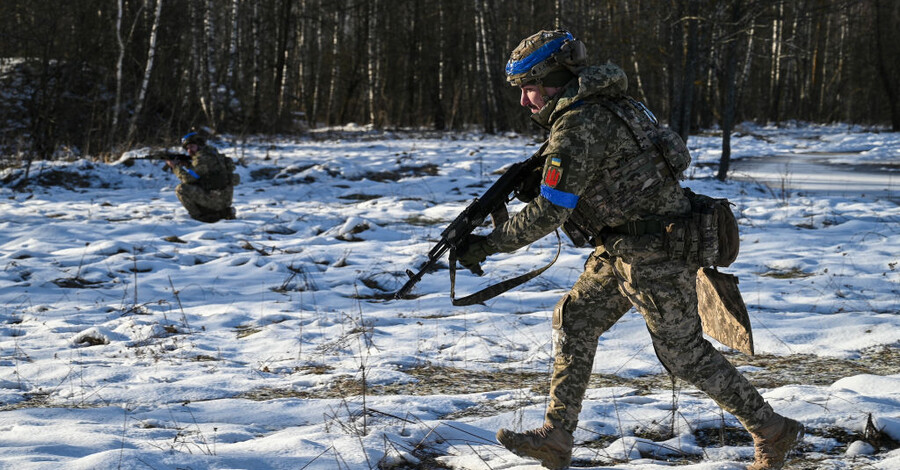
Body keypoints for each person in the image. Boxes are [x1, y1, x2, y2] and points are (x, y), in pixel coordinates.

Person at [456, 30, 804, 470]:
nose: (525, 101)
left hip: (656, 252)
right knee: (576, 317)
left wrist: (488, 245)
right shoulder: (615, 104)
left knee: (683, 354)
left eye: (529, 87)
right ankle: (557, 436)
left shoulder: (579, 122)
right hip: (624, 246)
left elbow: (550, 212)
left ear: (555, 78)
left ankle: (773, 431)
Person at [167, 131, 238, 223]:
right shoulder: (213, 153)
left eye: (192, 147)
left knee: (181, 189)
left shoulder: (201, 158)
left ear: (199, 145)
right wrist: (188, 165)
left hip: (216, 200)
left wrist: (175, 167)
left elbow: (187, 179)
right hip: (225, 199)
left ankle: (202, 217)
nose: (189, 151)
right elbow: (204, 172)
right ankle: (222, 212)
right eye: (187, 148)